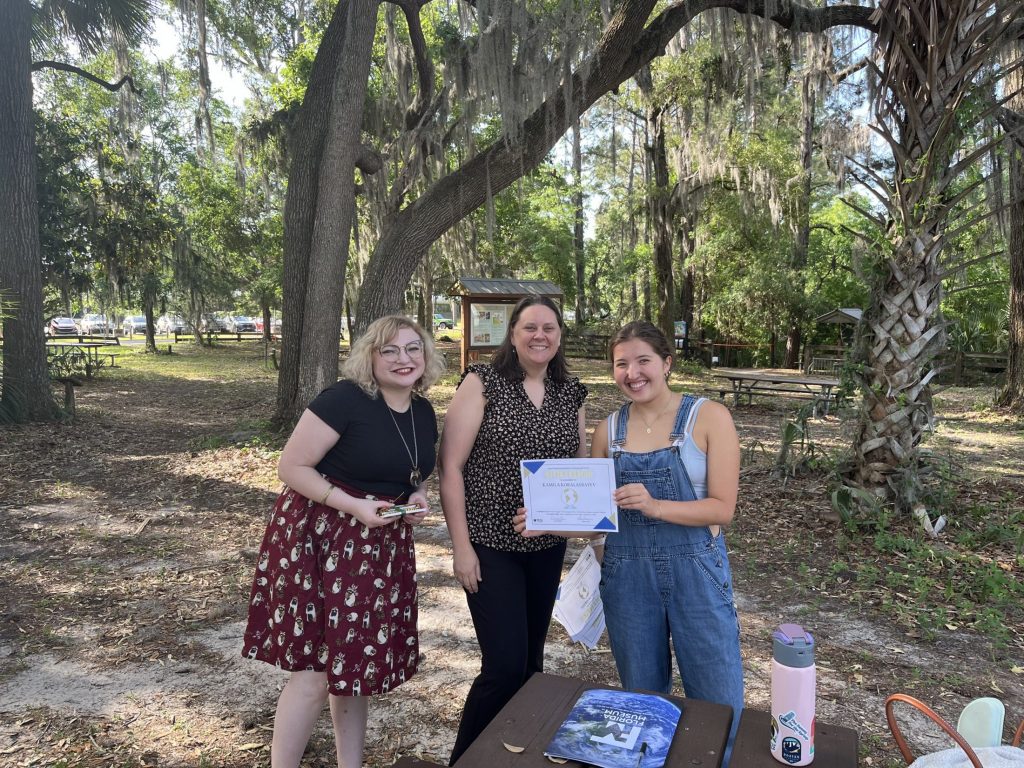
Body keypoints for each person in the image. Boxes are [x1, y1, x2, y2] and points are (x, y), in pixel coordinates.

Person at [241, 315, 445, 768]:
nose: (403, 359)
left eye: (413, 348)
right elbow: (291, 467)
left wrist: (416, 496)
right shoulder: (344, 400)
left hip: (378, 548)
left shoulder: (423, 411)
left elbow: (411, 474)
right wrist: (352, 505)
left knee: (356, 668)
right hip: (319, 540)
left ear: (426, 356)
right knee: (313, 674)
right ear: (369, 356)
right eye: (388, 350)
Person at [439, 296, 588, 764]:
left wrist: (570, 519)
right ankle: (465, 758)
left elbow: (579, 469)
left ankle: (514, 753)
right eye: (529, 327)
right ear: (513, 333)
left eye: (549, 327)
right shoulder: (482, 382)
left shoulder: (572, 392)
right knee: (503, 665)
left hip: (546, 547)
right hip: (489, 543)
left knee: (531, 665)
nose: (539, 335)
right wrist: (462, 548)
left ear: (560, 335)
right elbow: (450, 468)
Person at [593, 321, 745, 765]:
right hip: (626, 578)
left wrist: (656, 506)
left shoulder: (708, 416)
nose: (633, 373)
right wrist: (547, 521)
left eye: (643, 361)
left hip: (696, 571)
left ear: (667, 363)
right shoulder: (608, 431)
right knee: (642, 700)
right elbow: (594, 515)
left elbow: (722, 508)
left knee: (717, 697)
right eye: (622, 364)